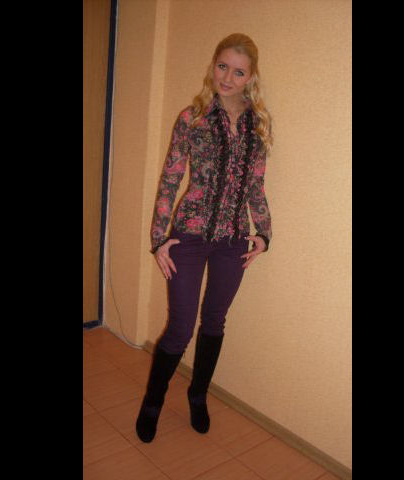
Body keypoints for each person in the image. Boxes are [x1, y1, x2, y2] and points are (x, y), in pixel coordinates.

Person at [136, 33, 273, 443]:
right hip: (189, 237)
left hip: (233, 240)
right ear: (213, 65)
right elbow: (170, 180)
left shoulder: (258, 124)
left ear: (251, 77)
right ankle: (153, 403)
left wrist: (264, 233)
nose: (227, 77)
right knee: (181, 327)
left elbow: (256, 187)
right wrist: (159, 238)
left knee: (215, 320)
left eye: (238, 72)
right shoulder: (191, 118)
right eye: (222, 66)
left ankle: (198, 395)